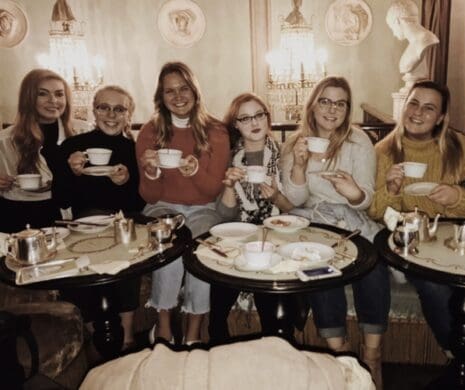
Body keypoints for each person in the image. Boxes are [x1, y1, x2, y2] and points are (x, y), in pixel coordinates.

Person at [368, 80, 465, 389]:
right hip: (408, 242)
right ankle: (462, 357)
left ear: (441, 116)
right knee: (433, 283)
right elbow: (374, 211)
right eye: (413, 103)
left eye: (429, 107)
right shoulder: (383, 151)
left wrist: (456, 197)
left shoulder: (459, 147)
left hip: (453, 239)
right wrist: (390, 190)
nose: (418, 112)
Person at [280, 75, 389, 390]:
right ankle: (340, 354)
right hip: (313, 221)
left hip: (353, 219)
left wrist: (352, 191)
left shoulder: (359, 141)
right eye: (325, 101)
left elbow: (365, 200)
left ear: (347, 109)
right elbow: (295, 200)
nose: (332, 109)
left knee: (373, 263)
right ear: (313, 105)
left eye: (340, 103)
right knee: (318, 266)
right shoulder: (296, 143)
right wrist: (299, 166)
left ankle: (372, 356)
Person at [136, 62, 230, 345]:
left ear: (195, 90)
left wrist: (195, 171)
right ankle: (163, 326)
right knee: (170, 242)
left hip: (204, 207)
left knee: (200, 249)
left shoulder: (216, 131)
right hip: (162, 205)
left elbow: (212, 189)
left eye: (183, 88)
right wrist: (151, 171)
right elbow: (149, 196)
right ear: (161, 97)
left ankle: (193, 333)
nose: (178, 96)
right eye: (169, 91)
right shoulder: (150, 132)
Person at [53, 85, 145, 349]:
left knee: (127, 254)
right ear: (94, 110)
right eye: (104, 107)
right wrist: (71, 172)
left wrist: (126, 182)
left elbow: (140, 203)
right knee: (76, 264)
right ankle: (96, 337)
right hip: (84, 224)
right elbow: (62, 200)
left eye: (120, 109)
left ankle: (127, 338)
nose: (111, 115)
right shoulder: (73, 148)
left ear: (129, 114)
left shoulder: (135, 150)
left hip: (124, 222)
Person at [209, 92, 301, 343]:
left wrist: (275, 198)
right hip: (240, 231)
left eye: (259, 115)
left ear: (267, 118)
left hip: (277, 229)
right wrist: (228, 184)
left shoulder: (285, 155)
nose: (254, 122)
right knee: (223, 267)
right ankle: (217, 338)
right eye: (245, 118)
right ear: (236, 124)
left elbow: (293, 208)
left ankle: (278, 342)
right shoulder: (229, 158)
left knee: (270, 267)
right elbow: (225, 216)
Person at [0, 69, 74, 233]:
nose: (53, 100)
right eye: (43, 94)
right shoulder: (4, 140)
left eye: (59, 94)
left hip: (67, 219)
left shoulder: (80, 132)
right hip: (18, 220)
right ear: (28, 98)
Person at [385, 0, 439, 89]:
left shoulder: (426, 39)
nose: (394, 34)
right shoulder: (413, 44)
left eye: (392, 28)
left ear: (397, 21)